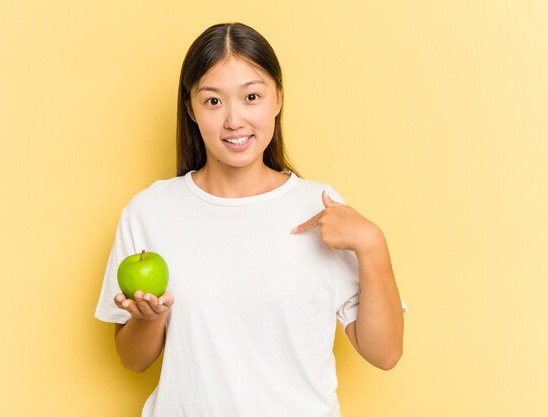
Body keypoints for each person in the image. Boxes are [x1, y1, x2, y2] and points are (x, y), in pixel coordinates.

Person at [95, 22, 405, 417]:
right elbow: (132, 360)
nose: (234, 121)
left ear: (278, 98)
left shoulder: (321, 208)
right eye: (213, 102)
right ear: (190, 108)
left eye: (252, 96)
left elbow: (385, 353)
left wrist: (372, 243)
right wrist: (148, 319)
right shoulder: (150, 212)